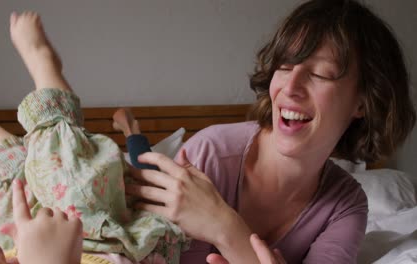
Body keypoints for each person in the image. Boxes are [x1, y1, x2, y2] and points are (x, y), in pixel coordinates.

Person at [125, 0, 416, 263]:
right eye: (285, 66)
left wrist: (225, 227)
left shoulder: (346, 206)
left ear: (363, 102)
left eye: (320, 73)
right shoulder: (208, 155)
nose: (290, 88)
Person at [0, 11, 186, 264]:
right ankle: (44, 65)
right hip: (103, 244)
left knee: (20, 193)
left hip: (68, 223)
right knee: (64, 186)